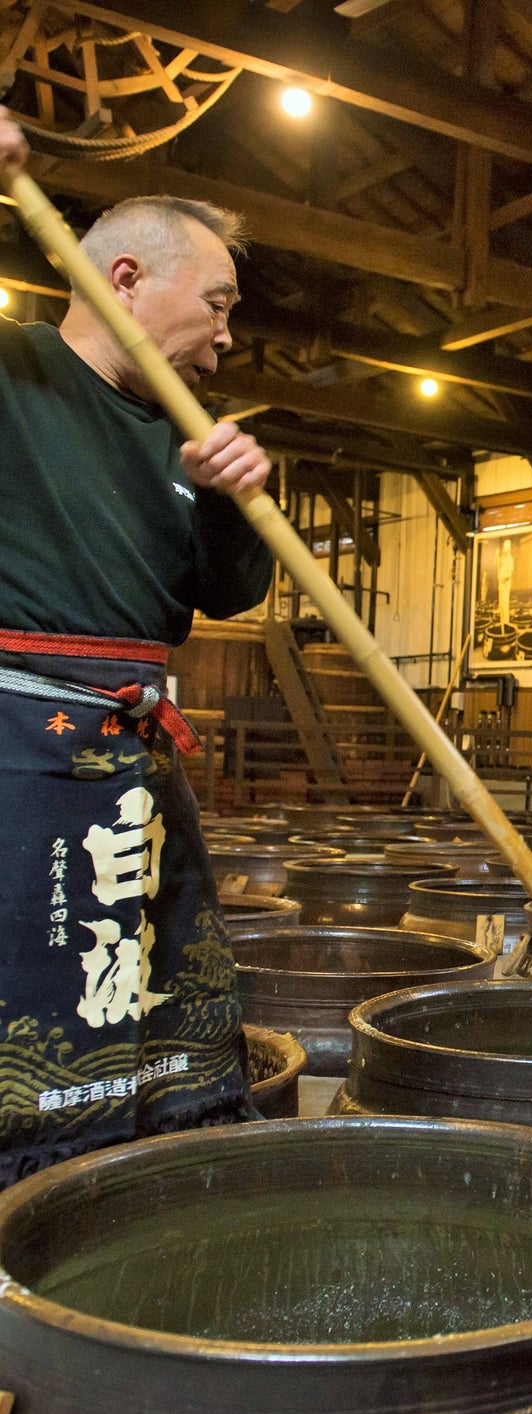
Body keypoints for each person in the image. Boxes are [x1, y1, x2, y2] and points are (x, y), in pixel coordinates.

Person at [0, 107, 275, 1185]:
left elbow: (229, 593)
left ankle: (145, 1182)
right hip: (20, 747)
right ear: (125, 279)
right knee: (32, 995)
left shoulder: (187, 439)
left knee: (160, 1014)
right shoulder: (14, 372)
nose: (227, 335)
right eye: (218, 302)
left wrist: (233, 505)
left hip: (137, 754)